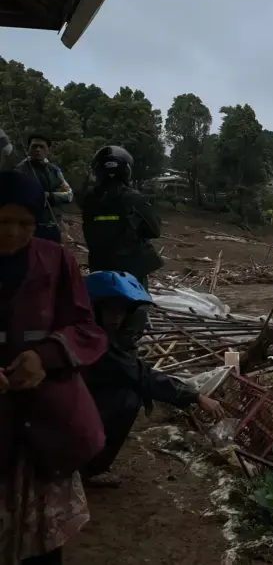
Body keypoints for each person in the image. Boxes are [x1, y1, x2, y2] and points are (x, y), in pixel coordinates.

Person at [0, 166, 108, 565]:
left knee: (44, 544)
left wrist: (44, 356)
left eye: (24, 223)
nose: (12, 232)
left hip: (44, 424)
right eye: (3, 221)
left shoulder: (56, 261)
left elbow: (85, 327)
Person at [82, 271, 223, 488]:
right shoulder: (93, 339)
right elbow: (141, 375)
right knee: (128, 398)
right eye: (111, 310)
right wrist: (195, 395)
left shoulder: (93, 333)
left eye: (122, 311)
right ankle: (90, 468)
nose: (117, 318)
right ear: (94, 307)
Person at [80, 146, 163, 288]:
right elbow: (154, 230)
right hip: (131, 270)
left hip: (99, 265)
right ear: (126, 170)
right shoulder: (135, 198)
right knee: (138, 304)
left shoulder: (88, 200)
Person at [13, 134, 72, 244]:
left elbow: (68, 195)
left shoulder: (54, 170)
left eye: (41, 147)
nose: (38, 150)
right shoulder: (19, 171)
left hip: (52, 225)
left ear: (48, 150)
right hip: (28, 227)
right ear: (28, 149)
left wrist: (48, 196)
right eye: (34, 146)